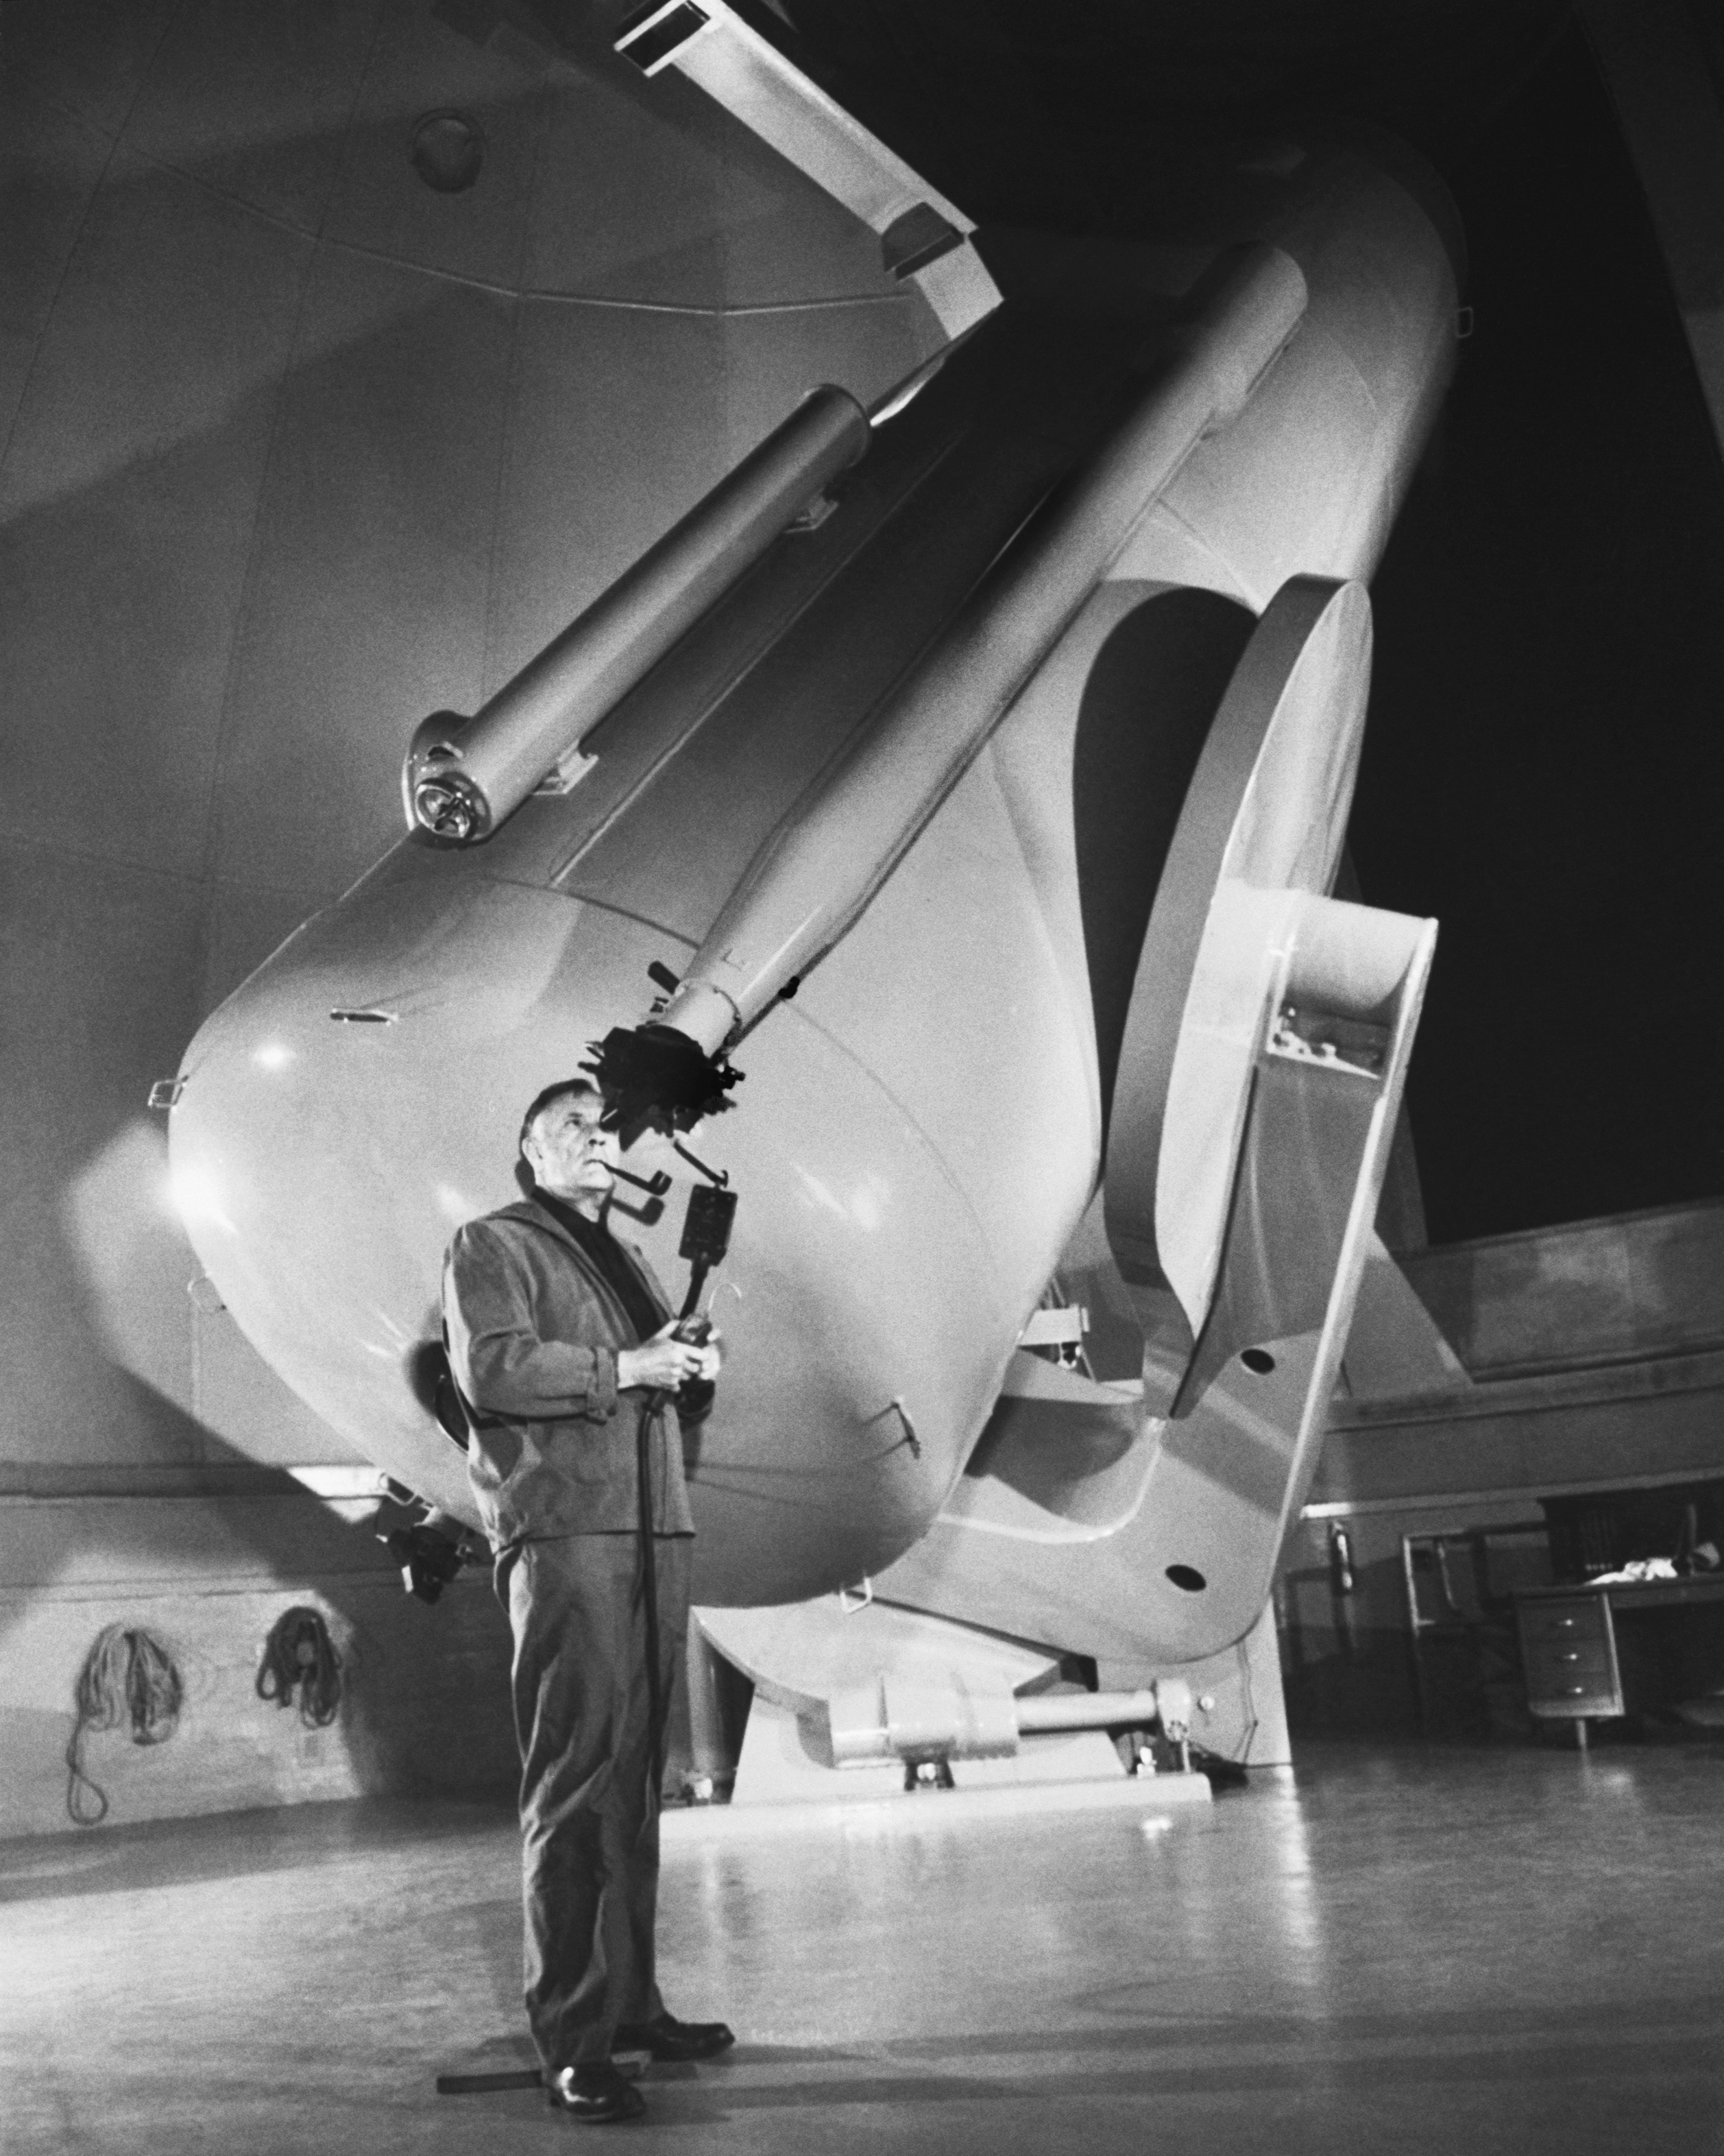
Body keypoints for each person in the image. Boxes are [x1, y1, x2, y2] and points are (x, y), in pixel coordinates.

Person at [441, 1078, 733, 2123]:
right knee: (572, 1782)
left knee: (634, 1788)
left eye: (606, 1129)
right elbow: (494, 1369)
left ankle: (630, 2002)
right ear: (529, 1147)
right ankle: (573, 2037)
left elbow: (661, 1383)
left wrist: (691, 1364)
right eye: (571, 1124)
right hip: (567, 1530)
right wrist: (632, 1360)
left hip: (657, 1524)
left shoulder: (634, 1261)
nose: (596, 1139)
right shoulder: (494, 1245)